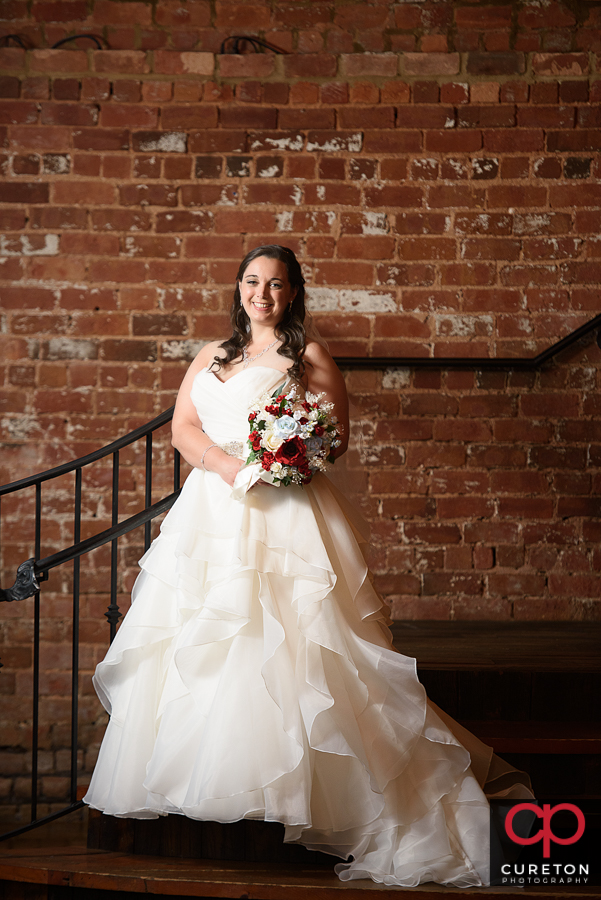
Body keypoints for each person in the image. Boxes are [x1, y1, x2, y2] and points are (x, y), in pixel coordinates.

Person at [84, 245, 532, 887]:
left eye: (275, 284)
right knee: (209, 634)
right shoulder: (209, 355)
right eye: (251, 282)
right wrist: (231, 467)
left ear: (293, 293)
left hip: (283, 512)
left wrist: (281, 459)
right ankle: (222, 779)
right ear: (238, 289)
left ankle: (328, 793)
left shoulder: (308, 356)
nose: (261, 293)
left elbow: (335, 436)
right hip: (214, 505)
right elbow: (183, 427)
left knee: (294, 640)